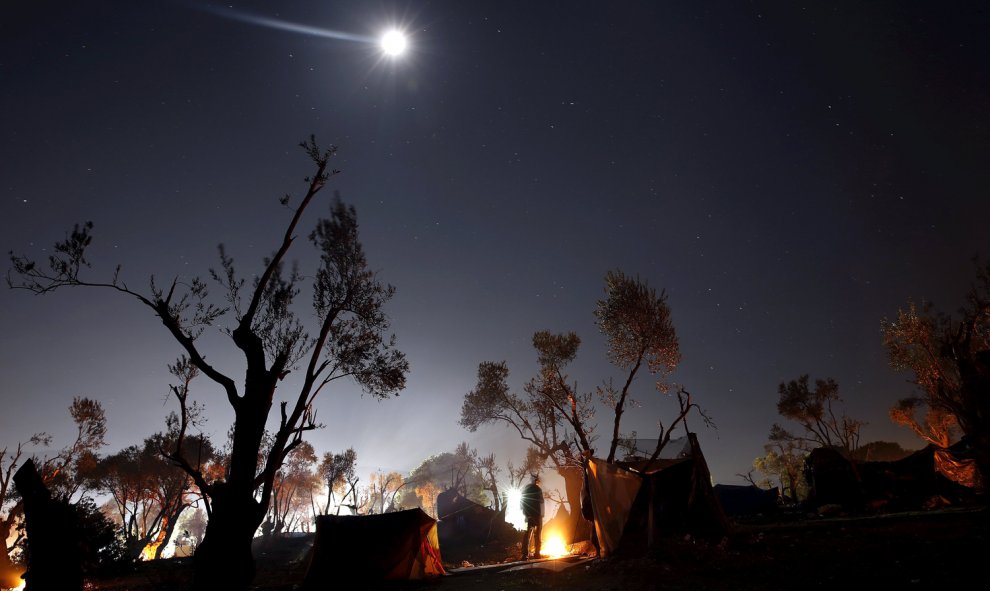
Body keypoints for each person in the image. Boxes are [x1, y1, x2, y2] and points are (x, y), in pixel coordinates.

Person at [520, 473, 544, 559]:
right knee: (537, 535)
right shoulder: (538, 489)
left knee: (526, 534)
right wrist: (542, 515)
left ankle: (524, 554)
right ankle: (537, 554)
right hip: (536, 516)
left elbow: (521, 502)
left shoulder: (525, 489)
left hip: (527, 516)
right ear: (535, 480)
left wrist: (525, 513)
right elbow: (541, 502)